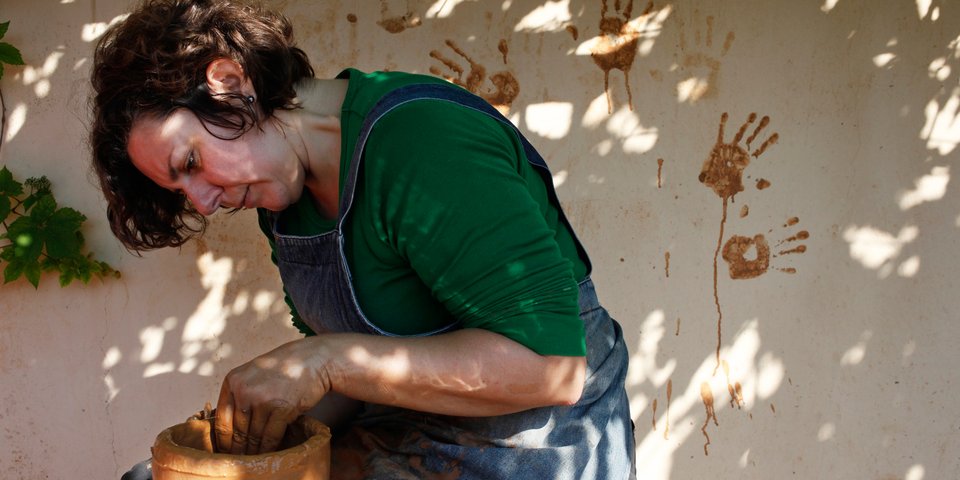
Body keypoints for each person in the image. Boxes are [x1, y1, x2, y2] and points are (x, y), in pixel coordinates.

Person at [93, 0, 636, 478]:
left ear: (231, 84)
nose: (205, 201)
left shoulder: (421, 143)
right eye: (183, 189)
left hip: (537, 444)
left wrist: (322, 360)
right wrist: (260, 440)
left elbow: (551, 368)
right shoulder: (279, 195)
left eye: (190, 162)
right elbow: (353, 378)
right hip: (411, 438)